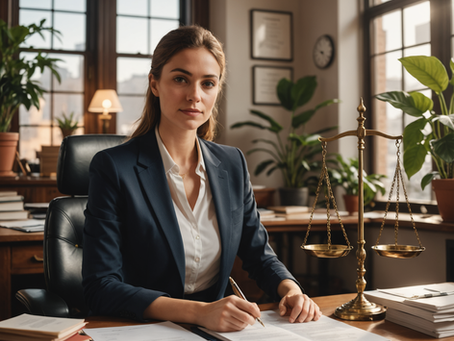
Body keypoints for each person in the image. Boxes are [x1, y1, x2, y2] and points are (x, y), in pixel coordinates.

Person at [82, 25, 321, 332]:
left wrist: (290, 290)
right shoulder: (113, 167)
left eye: (207, 83)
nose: (194, 95)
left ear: (217, 90)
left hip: (217, 330)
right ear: (154, 84)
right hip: (139, 328)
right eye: (180, 79)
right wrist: (198, 312)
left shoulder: (232, 163)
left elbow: (259, 254)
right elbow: (100, 287)